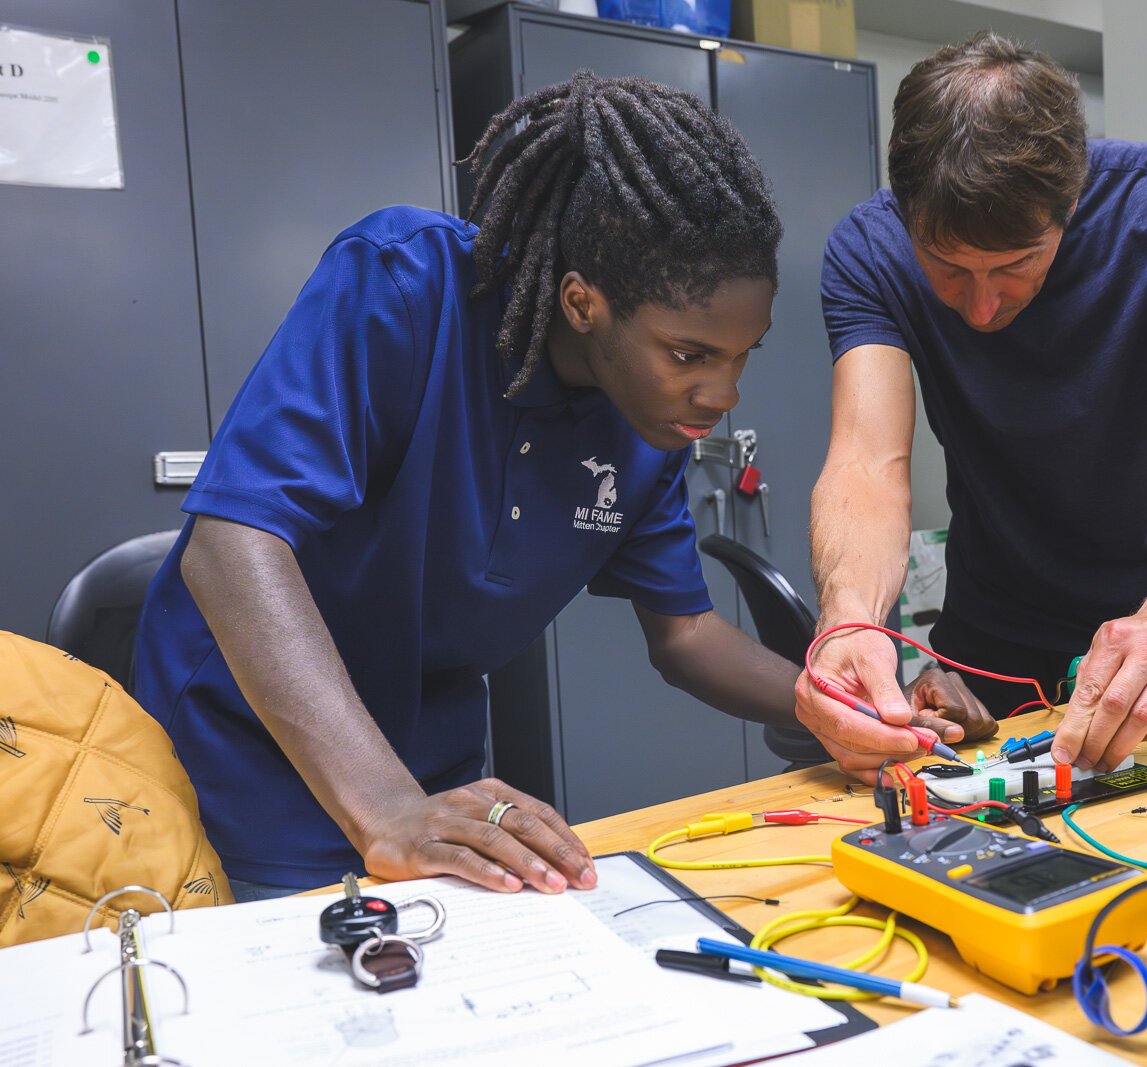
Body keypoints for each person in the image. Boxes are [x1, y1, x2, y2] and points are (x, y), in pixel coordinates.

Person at [133, 74, 985, 902]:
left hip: (435, 785)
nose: (722, 396)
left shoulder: (645, 424)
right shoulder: (403, 286)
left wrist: (842, 704)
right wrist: (384, 806)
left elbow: (687, 634)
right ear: (583, 304)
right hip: (247, 778)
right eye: (689, 354)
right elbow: (231, 547)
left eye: (740, 355)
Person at [797, 34, 1147, 783]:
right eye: (947, 268)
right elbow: (867, 469)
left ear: (1071, 202)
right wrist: (849, 621)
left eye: (1015, 265)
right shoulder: (868, 251)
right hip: (994, 652)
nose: (982, 304)